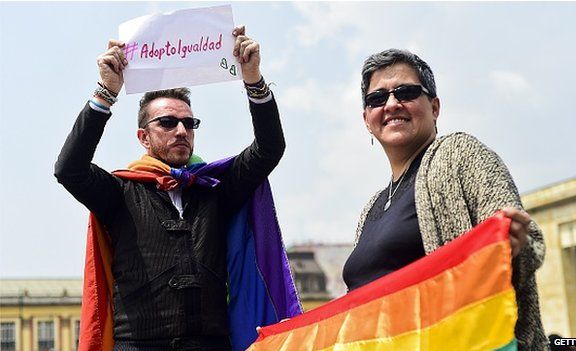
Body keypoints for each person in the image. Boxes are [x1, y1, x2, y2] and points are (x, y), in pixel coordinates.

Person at [55, 26, 300, 351]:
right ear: (143, 137)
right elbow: (69, 169)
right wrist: (106, 92)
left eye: (189, 123)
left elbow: (269, 148)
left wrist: (253, 79)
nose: (182, 130)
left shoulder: (216, 188)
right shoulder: (120, 192)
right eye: (168, 123)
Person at [342, 49, 548, 350]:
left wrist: (511, 245)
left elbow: (529, 243)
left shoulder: (460, 154)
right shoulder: (369, 209)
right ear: (366, 119)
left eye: (407, 92)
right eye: (377, 98)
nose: (391, 104)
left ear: (435, 107)